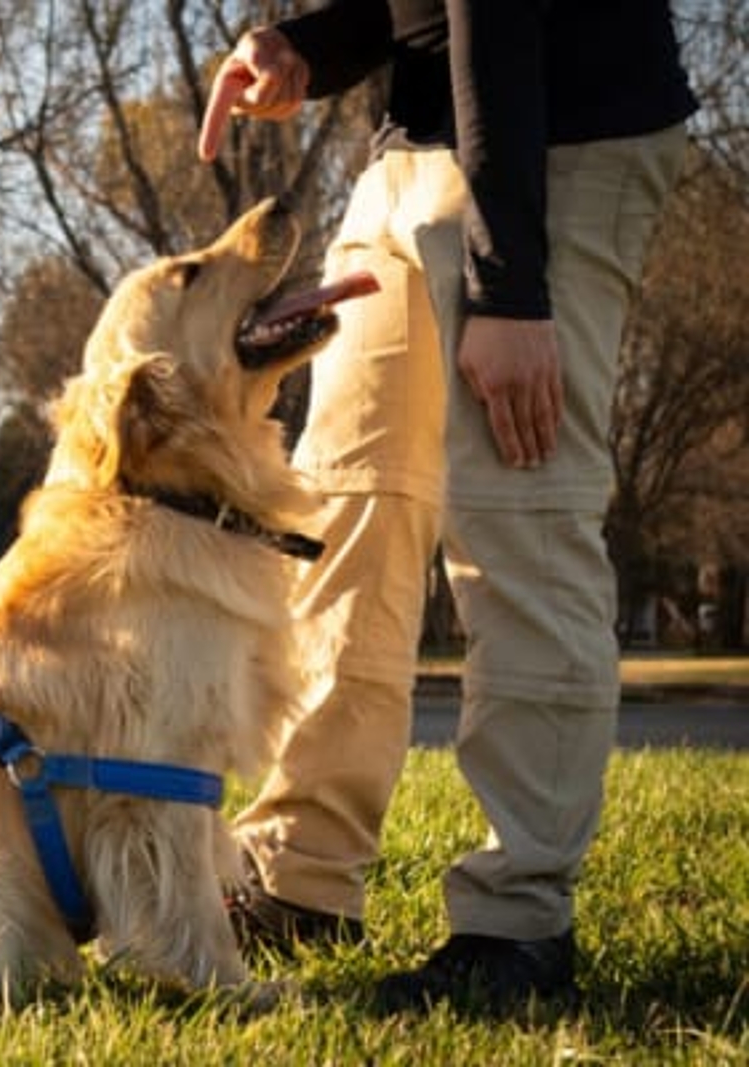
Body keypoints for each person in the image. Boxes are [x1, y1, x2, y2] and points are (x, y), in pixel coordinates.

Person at [196, 1, 696, 1012]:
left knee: (520, 517)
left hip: (558, 141)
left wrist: (509, 288)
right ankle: (300, 874)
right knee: (345, 507)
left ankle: (517, 922)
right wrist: (310, 44)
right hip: (413, 146)